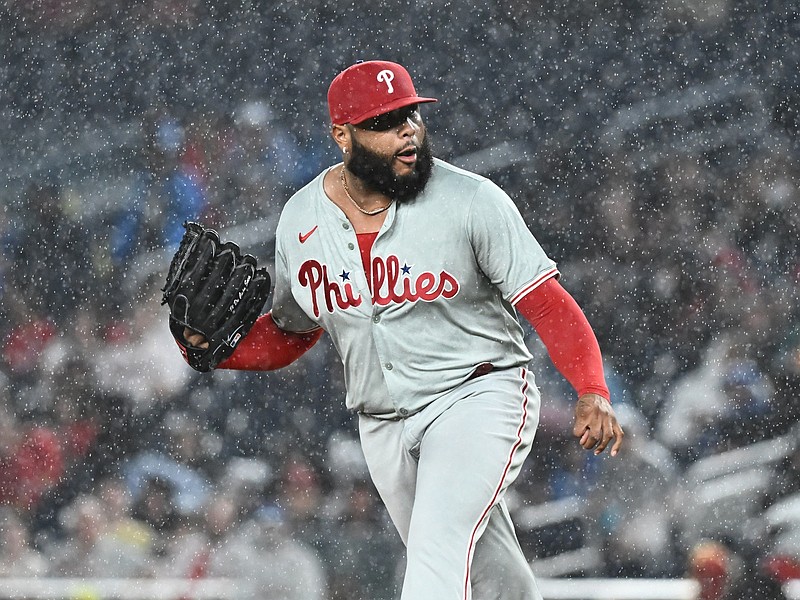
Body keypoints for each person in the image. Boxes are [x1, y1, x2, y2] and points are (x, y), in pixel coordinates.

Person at [179, 60, 624, 600]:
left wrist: (592, 388)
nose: (407, 130)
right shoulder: (301, 218)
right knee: (487, 571)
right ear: (342, 136)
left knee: (438, 549)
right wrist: (218, 351)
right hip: (382, 420)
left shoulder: (470, 201)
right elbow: (293, 332)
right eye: (385, 122)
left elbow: (549, 305)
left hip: (479, 393)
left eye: (410, 115)